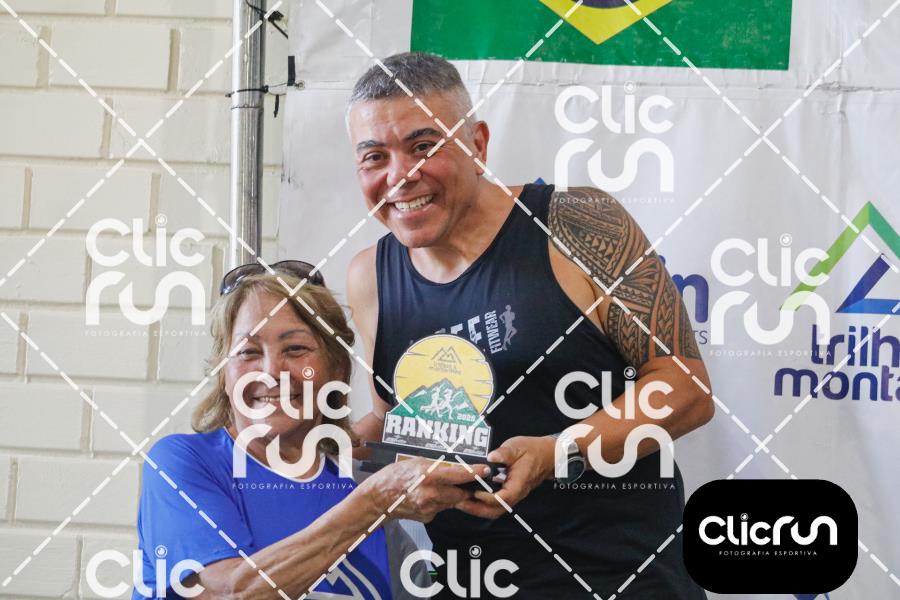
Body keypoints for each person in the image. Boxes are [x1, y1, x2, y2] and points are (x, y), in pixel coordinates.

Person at [346, 53, 714, 598]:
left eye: (424, 146)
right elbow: (392, 418)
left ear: (477, 144)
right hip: (469, 584)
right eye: (375, 156)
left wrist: (559, 453)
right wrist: (324, 443)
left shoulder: (575, 223)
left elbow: (685, 388)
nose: (400, 175)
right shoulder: (370, 276)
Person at [134, 262, 486, 599]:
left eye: (295, 349)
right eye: (248, 352)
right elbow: (231, 592)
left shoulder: (363, 491)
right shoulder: (182, 464)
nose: (271, 371)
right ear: (224, 375)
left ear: (336, 369)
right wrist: (375, 504)